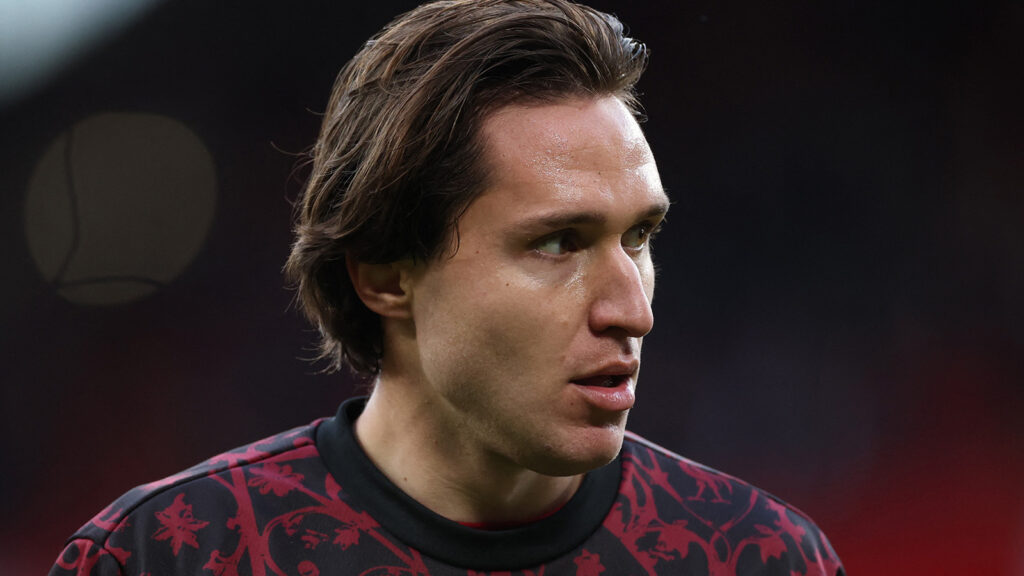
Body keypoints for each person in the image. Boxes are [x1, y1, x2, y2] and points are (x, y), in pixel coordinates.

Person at [50, 1, 845, 574]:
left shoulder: (759, 557)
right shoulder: (167, 554)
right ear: (384, 276)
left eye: (638, 237)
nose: (631, 311)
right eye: (557, 243)